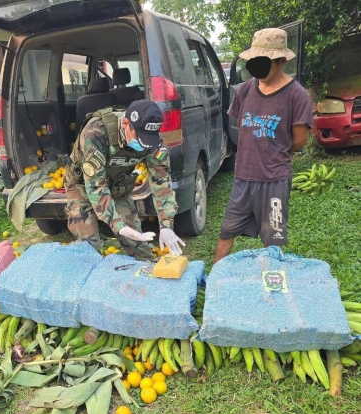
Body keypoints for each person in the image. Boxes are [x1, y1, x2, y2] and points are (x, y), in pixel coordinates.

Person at [214, 28, 313, 264]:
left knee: (272, 240)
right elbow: (242, 125)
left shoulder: (297, 96)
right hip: (243, 177)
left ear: (280, 61)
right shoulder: (246, 90)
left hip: (274, 180)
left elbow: (299, 140)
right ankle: (214, 281)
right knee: (227, 231)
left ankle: (272, 288)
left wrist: (271, 152)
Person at [65, 99, 185, 260]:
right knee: (89, 246)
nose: (144, 146)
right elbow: (95, 186)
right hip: (83, 186)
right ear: (126, 124)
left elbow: (161, 182)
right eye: (140, 139)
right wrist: (118, 225)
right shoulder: (96, 132)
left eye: (147, 141)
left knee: (138, 245)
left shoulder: (153, 139)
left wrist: (166, 225)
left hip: (117, 185)